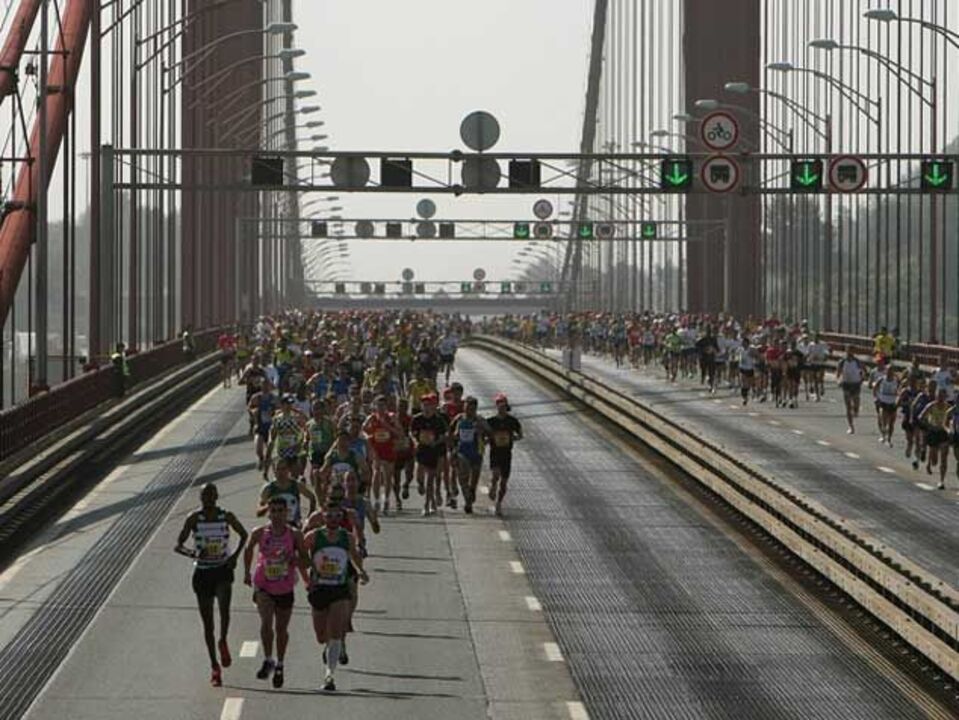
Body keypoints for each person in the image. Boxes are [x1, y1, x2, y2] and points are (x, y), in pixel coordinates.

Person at [175, 483, 248, 687]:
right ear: (200, 497)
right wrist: (193, 553)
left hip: (222, 569)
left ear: (217, 496)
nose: (207, 498)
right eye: (204, 495)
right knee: (208, 624)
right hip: (203, 573)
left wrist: (234, 557)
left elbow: (244, 534)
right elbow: (178, 545)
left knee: (224, 611)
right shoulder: (193, 518)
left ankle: (223, 640)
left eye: (211, 494)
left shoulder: (227, 516)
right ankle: (214, 666)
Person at [243, 497, 308, 688]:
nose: (277, 515)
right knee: (265, 623)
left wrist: (293, 558)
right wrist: (247, 572)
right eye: (274, 511)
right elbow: (248, 549)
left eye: (281, 511)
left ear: (287, 512)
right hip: (264, 585)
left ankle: (280, 663)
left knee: (281, 629)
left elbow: (307, 561)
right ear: (268, 512)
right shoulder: (259, 532)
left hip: (285, 587)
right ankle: (268, 658)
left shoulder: (294, 535)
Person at [304, 498, 369, 692]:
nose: (333, 519)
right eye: (329, 515)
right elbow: (300, 554)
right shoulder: (313, 537)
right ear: (322, 516)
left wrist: (361, 571)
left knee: (335, 633)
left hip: (339, 589)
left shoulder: (346, 537)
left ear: (341, 517)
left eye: (337, 516)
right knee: (320, 635)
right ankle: (329, 649)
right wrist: (308, 572)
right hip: (319, 589)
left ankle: (329, 676)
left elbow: (355, 557)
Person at [451, 396, 491, 514]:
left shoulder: (480, 420)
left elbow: (490, 433)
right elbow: (450, 433)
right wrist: (453, 447)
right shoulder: (459, 419)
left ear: (475, 409)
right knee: (463, 477)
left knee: (474, 477)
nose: (469, 411)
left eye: (472, 408)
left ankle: (472, 490)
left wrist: (484, 438)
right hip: (462, 452)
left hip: (477, 452)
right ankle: (468, 501)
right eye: (467, 408)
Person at [486, 393, 523, 517]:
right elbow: (484, 435)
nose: (501, 408)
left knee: (504, 483)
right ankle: (492, 485)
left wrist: (512, 438)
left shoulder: (512, 421)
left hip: (506, 453)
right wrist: (488, 439)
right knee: (496, 475)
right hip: (495, 452)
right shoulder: (491, 421)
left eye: (503, 405)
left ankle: (499, 503)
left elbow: (520, 435)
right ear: (497, 406)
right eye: (499, 405)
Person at [918, 389, 951, 488]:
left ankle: (941, 481)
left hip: (944, 433)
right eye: (939, 396)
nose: (941, 399)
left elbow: (953, 419)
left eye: (943, 396)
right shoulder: (931, 406)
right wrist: (929, 426)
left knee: (944, 458)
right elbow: (921, 417)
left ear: (945, 397)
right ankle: (929, 462)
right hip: (933, 433)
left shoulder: (948, 408)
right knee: (934, 460)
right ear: (936, 397)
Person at [837, 347, 864, 434]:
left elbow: (864, 371)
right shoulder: (842, 362)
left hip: (856, 384)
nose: (849, 353)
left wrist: (862, 379)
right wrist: (839, 380)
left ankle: (856, 409)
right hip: (846, 384)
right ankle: (851, 426)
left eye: (851, 351)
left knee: (856, 401)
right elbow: (838, 373)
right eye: (848, 351)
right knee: (848, 406)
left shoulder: (857, 361)